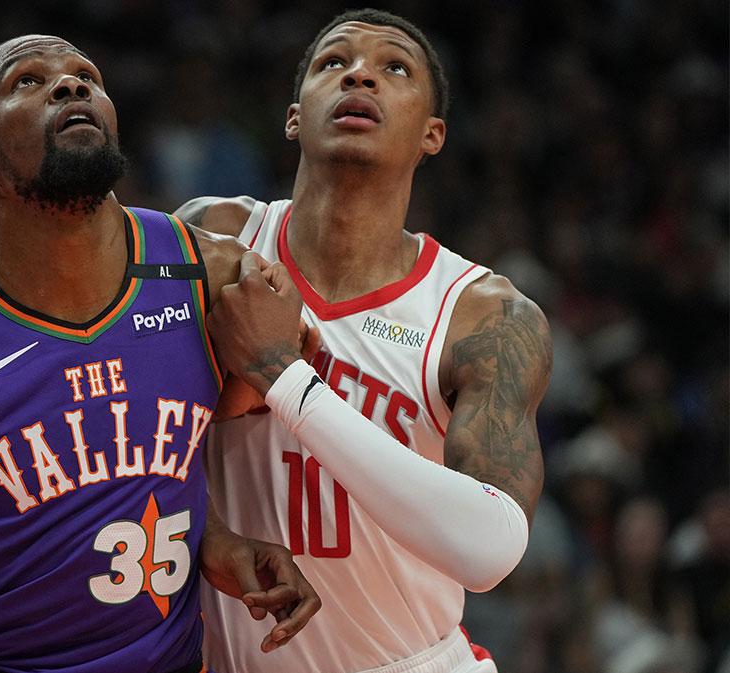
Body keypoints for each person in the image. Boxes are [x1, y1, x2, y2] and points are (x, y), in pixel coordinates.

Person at [0, 35, 319, 673]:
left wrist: (216, 539)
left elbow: (175, 462)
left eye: (86, 77)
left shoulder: (212, 277)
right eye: (28, 81)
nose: (71, 86)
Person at [176, 9, 553, 673]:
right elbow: (134, 435)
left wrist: (285, 378)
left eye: (394, 68)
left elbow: (490, 551)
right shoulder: (214, 240)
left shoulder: (484, 316)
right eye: (334, 62)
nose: (359, 75)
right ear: (295, 118)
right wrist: (211, 535)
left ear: (431, 134)